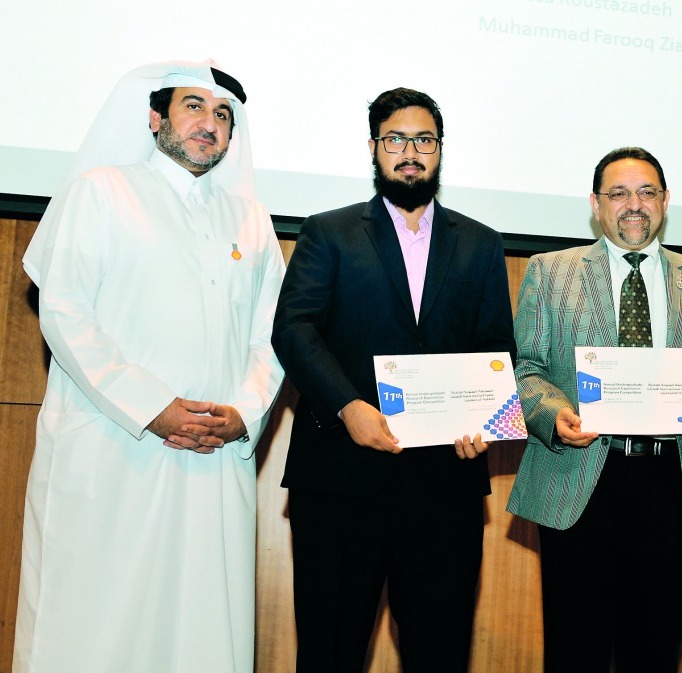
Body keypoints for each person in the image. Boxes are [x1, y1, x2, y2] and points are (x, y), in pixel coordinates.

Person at [14, 60, 284, 673]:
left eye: (223, 115)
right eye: (194, 106)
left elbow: (272, 338)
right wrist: (152, 407)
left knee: (201, 630)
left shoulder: (252, 221)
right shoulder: (102, 190)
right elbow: (65, 311)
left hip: (213, 458)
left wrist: (242, 414)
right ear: (157, 116)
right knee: (96, 621)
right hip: (114, 449)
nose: (209, 124)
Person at [271, 87, 515, 673]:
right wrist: (347, 407)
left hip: (444, 486)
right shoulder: (328, 232)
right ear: (375, 149)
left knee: (441, 652)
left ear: (439, 150)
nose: (411, 152)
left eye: (424, 140)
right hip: (339, 480)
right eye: (396, 140)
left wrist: (484, 422)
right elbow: (294, 328)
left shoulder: (479, 243)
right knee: (330, 652)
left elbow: (495, 349)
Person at [506, 146, 682, 673]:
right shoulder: (550, 271)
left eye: (646, 192)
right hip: (580, 479)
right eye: (618, 193)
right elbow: (526, 369)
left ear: (665, 201)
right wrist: (553, 414)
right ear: (595, 204)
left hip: (672, 481)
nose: (633, 205)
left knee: (654, 653)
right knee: (575, 653)